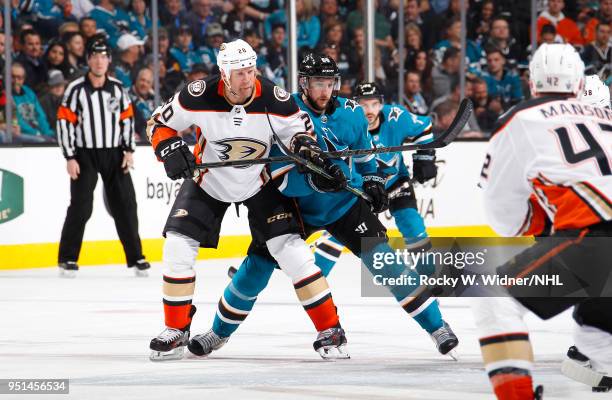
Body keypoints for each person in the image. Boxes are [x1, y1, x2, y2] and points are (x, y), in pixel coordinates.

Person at [193, 57, 459, 360]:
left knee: (386, 263)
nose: (325, 90)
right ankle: (219, 332)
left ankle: (437, 326)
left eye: (330, 83)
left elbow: (364, 159)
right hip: (291, 204)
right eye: (318, 83)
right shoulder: (281, 109)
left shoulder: (352, 113)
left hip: (342, 204)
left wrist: (372, 182)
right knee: (255, 269)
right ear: (304, 83)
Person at [146, 40, 347, 361]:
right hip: (207, 183)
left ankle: (331, 328)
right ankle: (175, 328)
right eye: (240, 73)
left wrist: (307, 149)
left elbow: (301, 133)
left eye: (251, 70)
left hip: (259, 183)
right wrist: (168, 148)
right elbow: (158, 123)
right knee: (177, 244)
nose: (247, 78)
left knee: (293, 252)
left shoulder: (274, 98)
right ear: (223, 74)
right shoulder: (197, 94)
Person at [474, 43, 612, 400]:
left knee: (496, 297)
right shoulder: (608, 113)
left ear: (532, 84)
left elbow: (502, 213)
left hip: (597, 241)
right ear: (581, 81)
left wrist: (541, 224)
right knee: (595, 335)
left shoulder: (520, 118)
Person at [56, 37, 150, 278]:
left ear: (109, 60)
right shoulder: (75, 89)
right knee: (81, 206)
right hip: (84, 154)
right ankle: (67, 258)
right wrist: (70, 156)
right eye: (94, 56)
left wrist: (129, 150)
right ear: (88, 60)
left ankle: (136, 256)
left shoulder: (118, 88)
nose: (99, 61)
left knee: (126, 204)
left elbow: (127, 120)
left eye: (103, 56)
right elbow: (64, 122)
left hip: (115, 153)